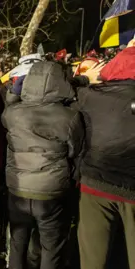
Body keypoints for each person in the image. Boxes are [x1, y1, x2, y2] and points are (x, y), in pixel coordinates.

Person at [2, 61, 85, 269]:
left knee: (17, 243)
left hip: (18, 188)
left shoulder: (12, 114)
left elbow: (7, 110)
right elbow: (74, 151)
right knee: (51, 248)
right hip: (51, 192)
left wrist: (13, 93)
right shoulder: (69, 117)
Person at [75, 39, 135, 269]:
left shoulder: (89, 95)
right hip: (128, 186)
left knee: (93, 259)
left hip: (95, 184)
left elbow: (52, 91)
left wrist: (82, 78)